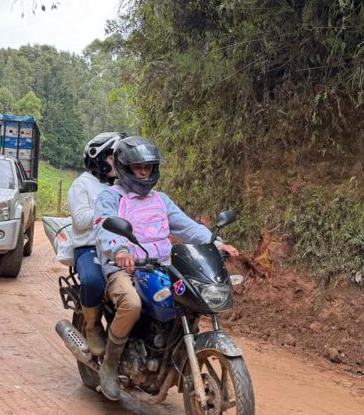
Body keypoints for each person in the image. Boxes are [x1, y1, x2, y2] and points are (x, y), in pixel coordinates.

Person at [94, 135, 238, 400]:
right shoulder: (110, 197)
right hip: (124, 267)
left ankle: (171, 354)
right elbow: (105, 226)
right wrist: (120, 250)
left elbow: (187, 226)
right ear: (125, 168)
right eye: (138, 167)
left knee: (189, 298)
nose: (144, 172)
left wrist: (216, 243)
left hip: (161, 265)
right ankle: (109, 367)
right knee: (132, 304)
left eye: (148, 167)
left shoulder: (161, 200)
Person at [67, 132, 124, 356]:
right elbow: (80, 220)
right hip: (89, 247)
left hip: (119, 246)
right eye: (113, 157)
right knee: (92, 281)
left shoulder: (122, 186)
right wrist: (109, 214)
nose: (117, 163)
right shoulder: (81, 185)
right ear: (97, 157)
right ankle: (92, 326)